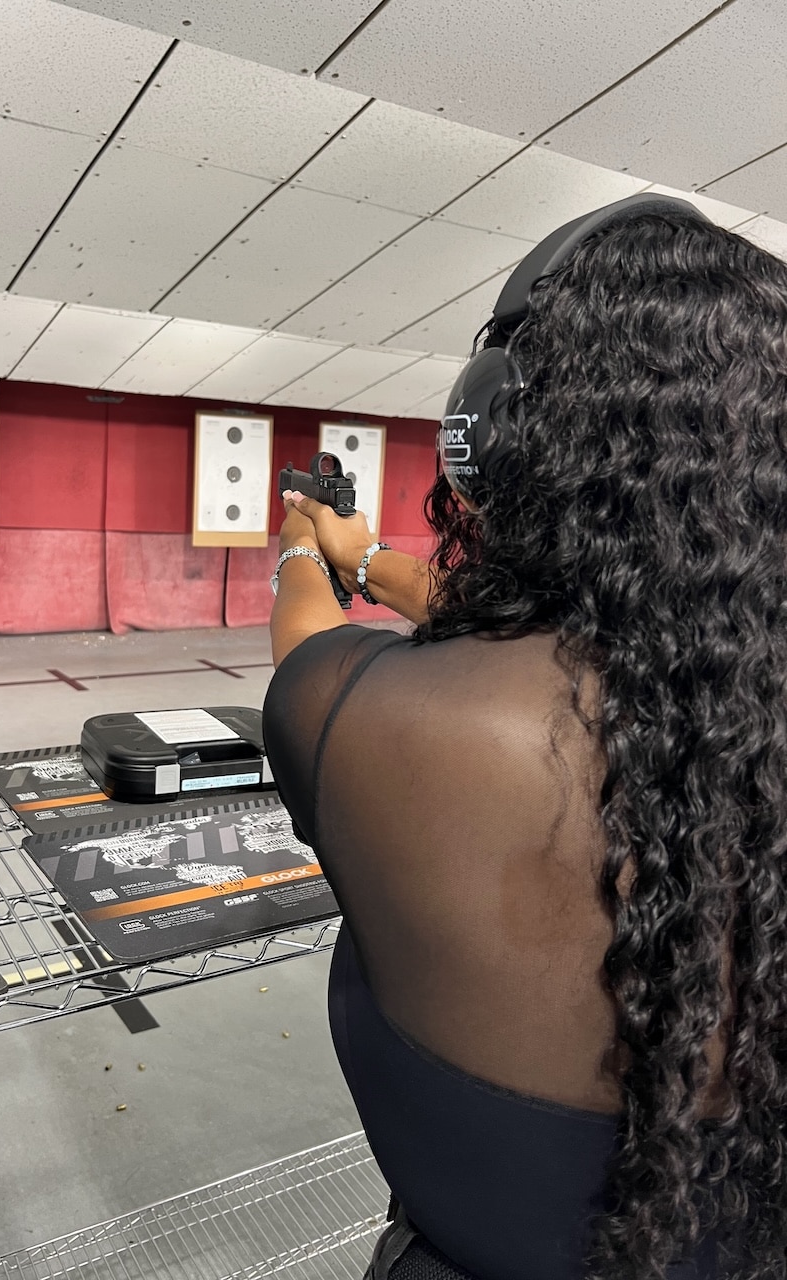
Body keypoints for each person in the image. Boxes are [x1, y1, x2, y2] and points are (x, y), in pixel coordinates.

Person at [262, 195, 787, 1280]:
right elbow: (572, 628)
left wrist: (307, 552)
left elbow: (311, 648)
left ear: (493, 435)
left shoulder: (356, 716)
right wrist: (367, 558)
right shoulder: (738, 700)